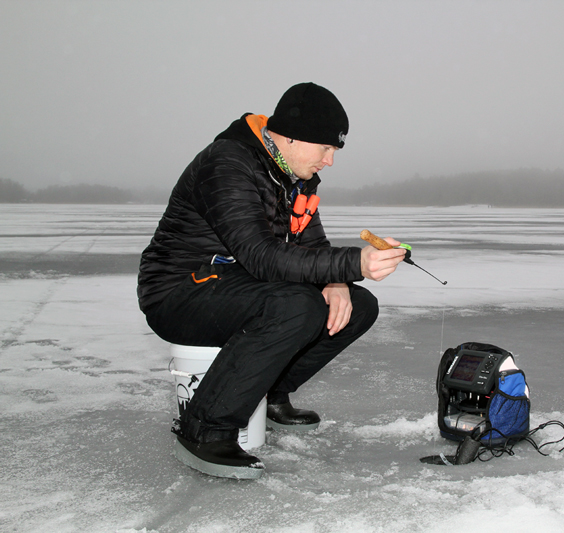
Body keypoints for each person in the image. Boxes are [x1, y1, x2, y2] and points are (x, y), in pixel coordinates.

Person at [137, 82, 407, 479]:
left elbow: (312, 246)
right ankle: (205, 428)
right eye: (326, 149)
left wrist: (338, 282)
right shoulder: (228, 163)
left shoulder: (295, 177)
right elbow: (261, 256)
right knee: (295, 305)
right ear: (293, 137)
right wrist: (354, 263)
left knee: (356, 306)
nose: (330, 161)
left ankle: (270, 391)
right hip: (180, 291)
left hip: (235, 286)